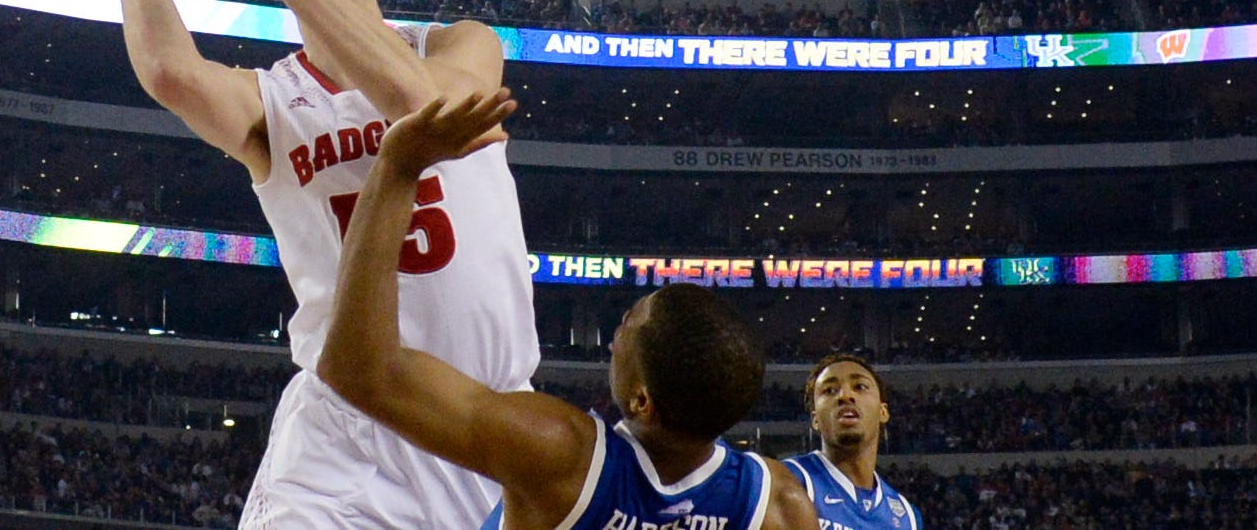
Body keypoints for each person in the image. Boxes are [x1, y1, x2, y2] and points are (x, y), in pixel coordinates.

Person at [36, 0, 538, 528]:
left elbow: (423, 109)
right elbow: (170, 71)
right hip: (344, 440)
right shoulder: (271, 99)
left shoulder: (461, 43)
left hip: (488, 429)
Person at [318, 91, 821, 530]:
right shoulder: (779, 503)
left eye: (626, 327)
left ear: (643, 401)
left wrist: (397, 167)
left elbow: (361, 369)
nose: (612, 340)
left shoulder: (561, 455)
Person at [783, 354, 923, 530]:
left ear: (883, 411)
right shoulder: (786, 481)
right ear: (815, 419)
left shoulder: (907, 517)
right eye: (829, 390)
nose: (845, 395)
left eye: (860, 386)